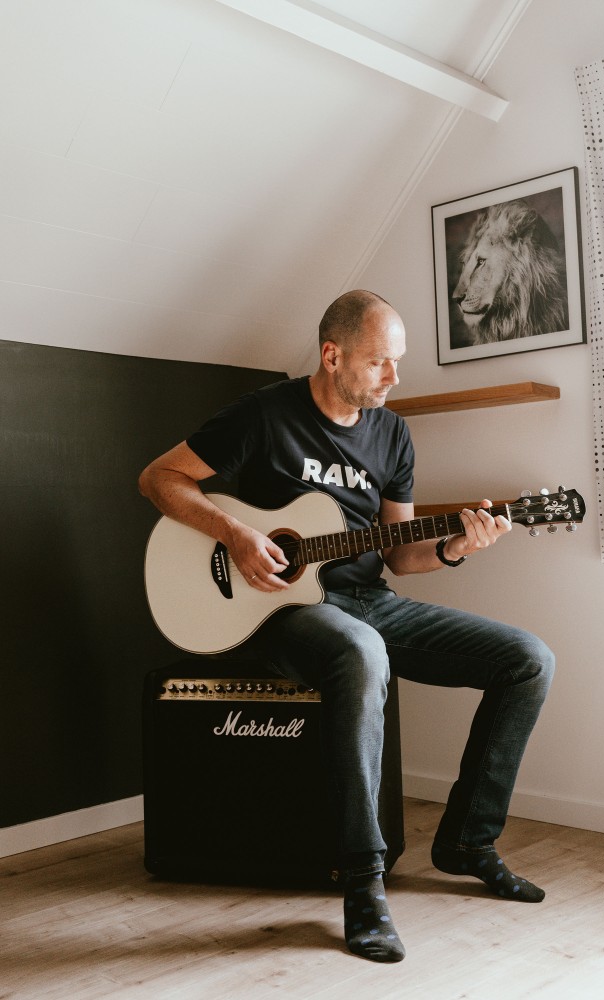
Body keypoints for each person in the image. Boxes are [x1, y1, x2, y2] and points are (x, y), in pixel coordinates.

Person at [139, 289, 555, 964]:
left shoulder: (392, 434)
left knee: (528, 659)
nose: (393, 376)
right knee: (362, 653)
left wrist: (456, 546)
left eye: (398, 361)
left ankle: (466, 842)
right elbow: (159, 478)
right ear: (331, 356)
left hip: (368, 600)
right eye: (378, 361)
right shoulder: (264, 415)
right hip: (279, 610)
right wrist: (236, 534)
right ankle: (362, 880)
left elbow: (401, 554)